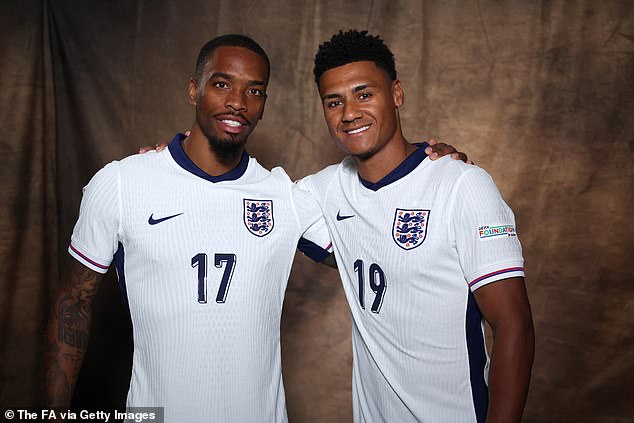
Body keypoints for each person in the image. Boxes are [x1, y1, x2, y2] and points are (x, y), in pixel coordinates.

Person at [44, 34, 461, 422]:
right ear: (194, 90)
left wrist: (427, 172)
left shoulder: (287, 196)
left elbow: (387, 248)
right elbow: (73, 305)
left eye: (254, 90)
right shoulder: (121, 183)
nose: (238, 102)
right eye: (222, 85)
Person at [295, 30, 535, 422]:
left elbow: (515, 326)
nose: (349, 112)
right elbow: (239, 194)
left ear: (397, 94)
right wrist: (165, 160)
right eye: (333, 101)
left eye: (364, 94)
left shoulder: (461, 185)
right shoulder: (321, 191)